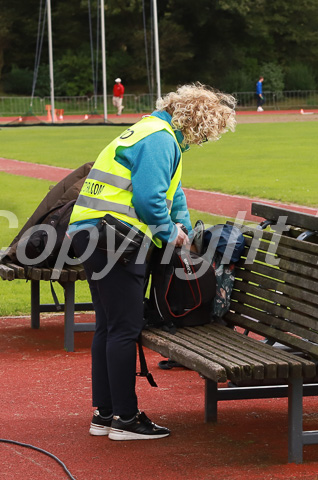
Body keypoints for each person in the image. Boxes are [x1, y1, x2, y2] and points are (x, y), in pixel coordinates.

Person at [67, 83, 236, 440]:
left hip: (92, 233)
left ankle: (106, 413)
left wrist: (183, 228)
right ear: (198, 122)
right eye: (205, 135)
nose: (201, 142)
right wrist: (171, 233)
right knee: (125, 329)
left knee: (108, 326)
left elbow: (172, 195)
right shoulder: (162, 140)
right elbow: (149, 200)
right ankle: (126, 420)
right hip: (116, 238)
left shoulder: (149, 129)